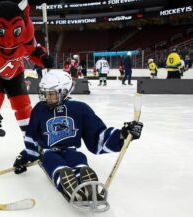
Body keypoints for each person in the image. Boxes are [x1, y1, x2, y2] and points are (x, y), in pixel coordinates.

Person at [13, 70, 143, 202]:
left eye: (51, 93)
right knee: (53, 163)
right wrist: (24, 157)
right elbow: (32, 137)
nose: (47, 97)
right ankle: (69, 184)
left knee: (79, 162)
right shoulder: (40, 109)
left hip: (72, 151)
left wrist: (122, 135)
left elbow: (97, 136)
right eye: (45, 93)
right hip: (49, 152)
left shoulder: (80, 109)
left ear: (64, 91)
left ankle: (86, 182)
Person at [0, 0, 54, 163]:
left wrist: (44, 58)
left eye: (16, 31)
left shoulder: (25, 37)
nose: (9, 42)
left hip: (15, 74)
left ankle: (31, 141)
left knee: (24, 106)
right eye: (1, 31)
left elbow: (33, 51)